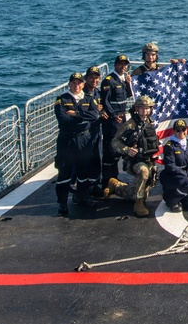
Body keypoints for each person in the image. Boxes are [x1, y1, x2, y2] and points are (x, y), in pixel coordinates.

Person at [54, 72, 101, 215]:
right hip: (67, 140)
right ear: (69, 84)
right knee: (64, 172)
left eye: (79, 83)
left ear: (83, 84)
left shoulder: (88, 98)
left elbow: (95, 115)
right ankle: (62, 202)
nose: (77, 85)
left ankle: (83, 197)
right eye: (74, 83)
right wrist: (83, 118)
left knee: (84, 170)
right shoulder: (62, 100)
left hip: (84, 139)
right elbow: (62, 119)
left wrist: (76, 114)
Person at [107, 95, 161, 217]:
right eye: (142, 108)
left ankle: (117, 186)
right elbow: (115, 141)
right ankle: (138, 203)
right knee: (143, 172)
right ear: (136, 108)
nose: (145, 111)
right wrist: (127, 150)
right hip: (133, 161)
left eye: (147, 108)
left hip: (148, 159)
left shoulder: (150, 123)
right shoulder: (130, 124)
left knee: (140, 191)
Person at [99, 54, 133, 188]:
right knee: (110, 148)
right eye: (121, 64)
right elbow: (105, 100)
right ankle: (107, 181)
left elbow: (128, 95)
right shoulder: (109, 80)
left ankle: (115, 179)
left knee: (117, 147)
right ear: (115, 65)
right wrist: (113, 116)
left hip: (122, 116)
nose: (123, 67)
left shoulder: (122, 80)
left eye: (125, 65)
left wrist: (129, 84)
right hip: (113, 119)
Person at [161, 119, 188, 213]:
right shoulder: (170, 146)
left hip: (184, 176)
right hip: (172, 176)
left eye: (183, 129)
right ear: (174, 131)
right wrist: (185, 176)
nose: (181, 132)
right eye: (178, 130)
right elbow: (171, 166)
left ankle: (180, 197)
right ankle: (170, 199)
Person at [82, 67, 105, 195]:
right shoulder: (81, 93)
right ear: (86, 79)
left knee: (97, 158)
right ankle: (81, 190)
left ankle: (95, 185)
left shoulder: (97, 93)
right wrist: (96, 111)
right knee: (84, 161)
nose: (94, 80)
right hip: (85, 132)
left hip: (96, 130)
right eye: (91, 77)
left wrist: (101, 112)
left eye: (96, 78)